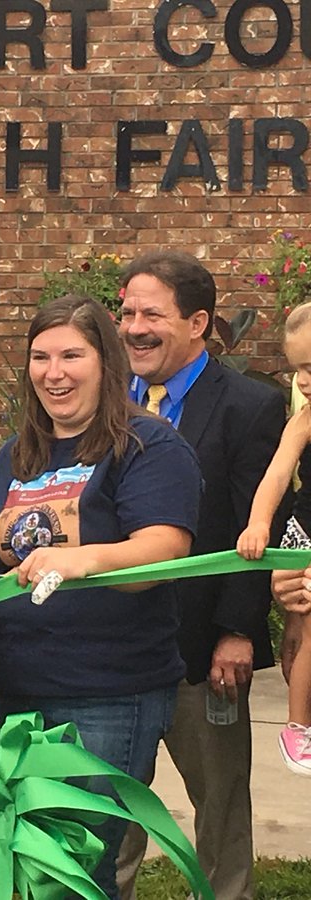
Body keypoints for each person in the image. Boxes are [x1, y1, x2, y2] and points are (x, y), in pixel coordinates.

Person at [0, 295, 202, 899]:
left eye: (73, 354)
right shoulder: (16, 456)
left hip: (108, 694)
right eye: (40, 357)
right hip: (21, 690)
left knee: (78, 874)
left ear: (107, 361)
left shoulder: (148, 445)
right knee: (29, 859)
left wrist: (77, 560)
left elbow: (163, 550)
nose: (55, 371)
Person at [115, 251, 284, 900]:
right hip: (113, 649)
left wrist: (237, 632)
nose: (133, 328)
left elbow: (254, 527)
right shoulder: (102, 397)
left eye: (151, 314)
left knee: (218, 803)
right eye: (127, 312)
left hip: (203, 651)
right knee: (112, 802)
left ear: (199, 323)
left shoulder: (248, 408)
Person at [238, 301, 311, 780]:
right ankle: (299, 724)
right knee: (308, 627)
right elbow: (276, 474)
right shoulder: (305, 420)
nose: (304, 380)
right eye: (298, 368)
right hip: (307, 533)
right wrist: (259, 523)